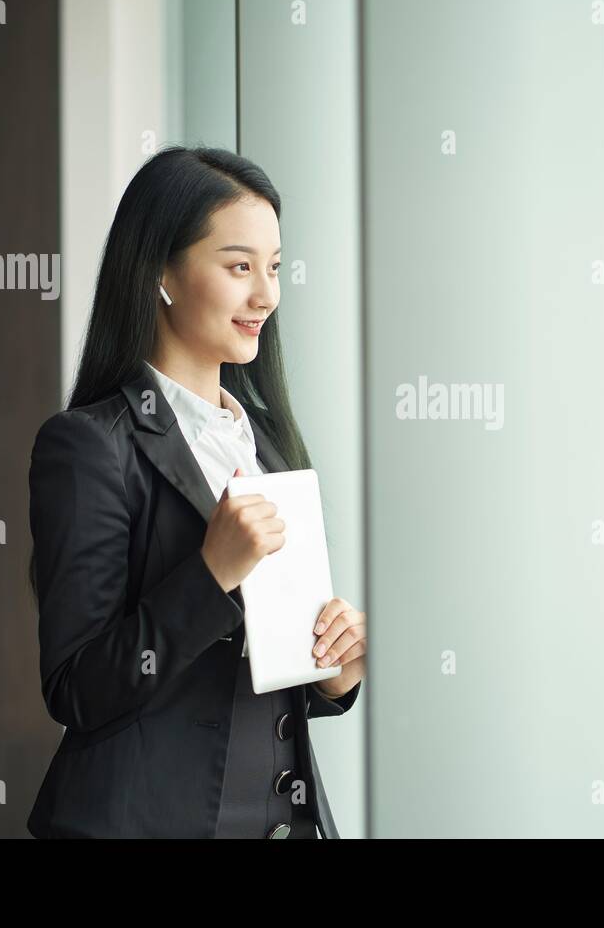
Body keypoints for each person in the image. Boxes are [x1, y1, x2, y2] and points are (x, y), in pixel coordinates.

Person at [25, 146, 365, 838]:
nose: (266, 294)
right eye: (240, 267)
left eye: (273, 268)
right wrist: (212, 574)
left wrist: (334, 673)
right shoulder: (89, 447)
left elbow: (250, 673)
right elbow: (75, 688)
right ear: (162, 275)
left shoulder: (267, 443)